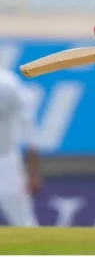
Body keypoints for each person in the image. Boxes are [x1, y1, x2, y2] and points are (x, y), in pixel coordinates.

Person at [0, 66, 41, 226]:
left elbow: (29, 128)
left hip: (5, 159)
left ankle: (36, 250)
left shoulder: (8, 85)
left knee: (23, 221)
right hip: (7, 158)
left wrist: (33, 171)